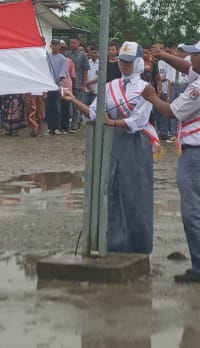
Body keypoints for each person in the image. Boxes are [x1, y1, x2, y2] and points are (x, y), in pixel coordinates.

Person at [144, 36, 200, 283]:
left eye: (195, 55)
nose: (190, 58)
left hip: (199, 154)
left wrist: (151, 96)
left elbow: (170, 111)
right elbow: (186, 67)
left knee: (195, 213)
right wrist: (163, 56)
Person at [66, 41, 158, 254]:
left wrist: (112, 122)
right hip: (112, 142)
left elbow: (139, 121)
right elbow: (93, 112)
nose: (124, 65)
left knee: (134, 192)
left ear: (138, 63)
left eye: (129, 62)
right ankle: (113, 242)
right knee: (111, 190)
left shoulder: (146, 89)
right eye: (122, 61)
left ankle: (138, 245)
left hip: (135, 143)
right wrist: (73, 101)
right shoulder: (110, 86)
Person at [46, 39, 68, 135]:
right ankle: (50, 127)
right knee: (48, 107)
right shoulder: (47, 57)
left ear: (59, 46)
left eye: (56, 45)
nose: (54, 46)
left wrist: (54, 82)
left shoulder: (62, 58)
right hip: (48, 86)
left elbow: (62, 74)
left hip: (58, 86)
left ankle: (57, 127)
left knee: (57, 107)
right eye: (53, 44)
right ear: (50, 46)